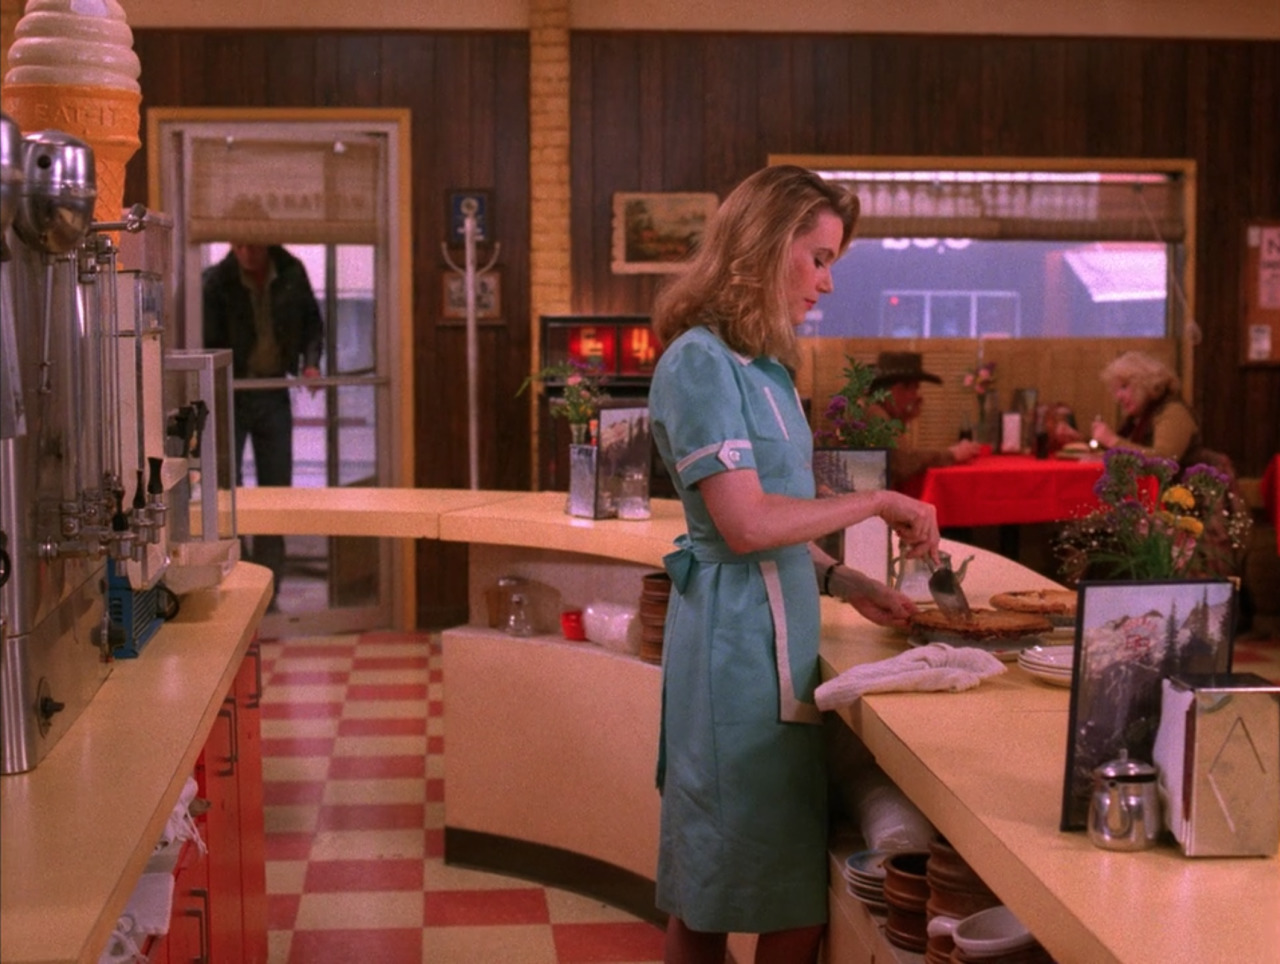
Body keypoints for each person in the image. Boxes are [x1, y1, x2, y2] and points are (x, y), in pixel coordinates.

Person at [647, 165, 941, 964]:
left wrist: (847, 581)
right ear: (762, 246)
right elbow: (744, 525)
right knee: (725, 898)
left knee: (775, 892)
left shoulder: (769, 369)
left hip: (776, 647)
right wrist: (879, 504)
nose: (828, 280)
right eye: (816, 256)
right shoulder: (699, 363)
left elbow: (777, 519)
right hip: (731, 656)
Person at [203, 237, 324, 608]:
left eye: (253, 246)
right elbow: (206, 339)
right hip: (233, 391)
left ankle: (270, 588)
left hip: (273, 390)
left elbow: (312, 324)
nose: (246, 255)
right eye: (239, 246)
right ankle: (236, 586)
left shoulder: (290, 273)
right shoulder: (217, 281)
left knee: (276, 488)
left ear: (267, 243)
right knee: (227, 491)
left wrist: (311, 361)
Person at [867, 350, 983, 490]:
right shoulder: (873, 414)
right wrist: (952, 454)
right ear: (897, 389)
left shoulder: (875, 410)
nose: (917, 397)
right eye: (915, 389)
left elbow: (896, 454)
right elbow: (904, 463)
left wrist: (904, 418)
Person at [1059, 350, 1199, 463]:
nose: (1118, 397)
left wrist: (1112, 440)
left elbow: (1164, 461)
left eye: (1124, 387)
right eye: (1116, 391)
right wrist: (1081, 439)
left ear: (1146, 383)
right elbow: (1125, 451)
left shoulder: (1173, 411)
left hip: (1175, 493)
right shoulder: (1138, 417)